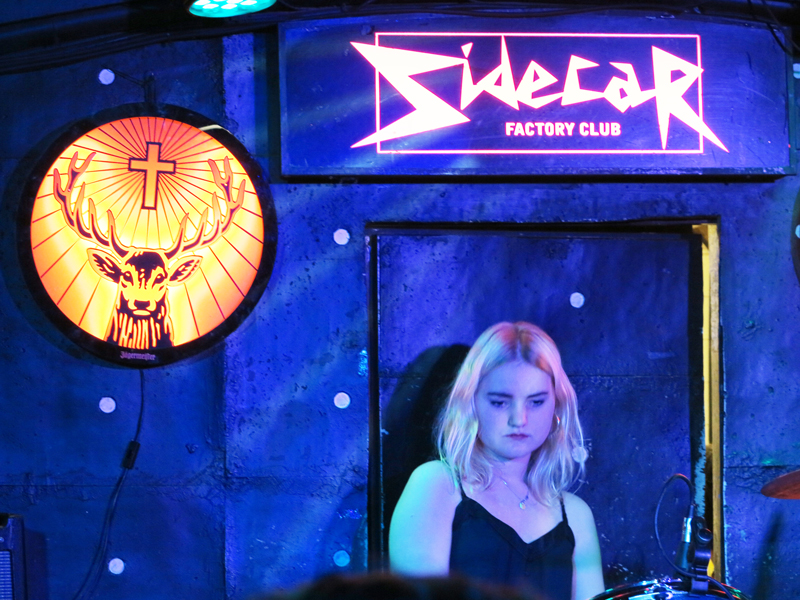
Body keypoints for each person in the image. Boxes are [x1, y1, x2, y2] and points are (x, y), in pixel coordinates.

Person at [389, 322, 605, 600]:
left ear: (557, 404)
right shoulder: (437, 484)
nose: (519, 419)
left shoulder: (575, 515)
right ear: (470, 403)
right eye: (500, 402)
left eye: (536, 402)